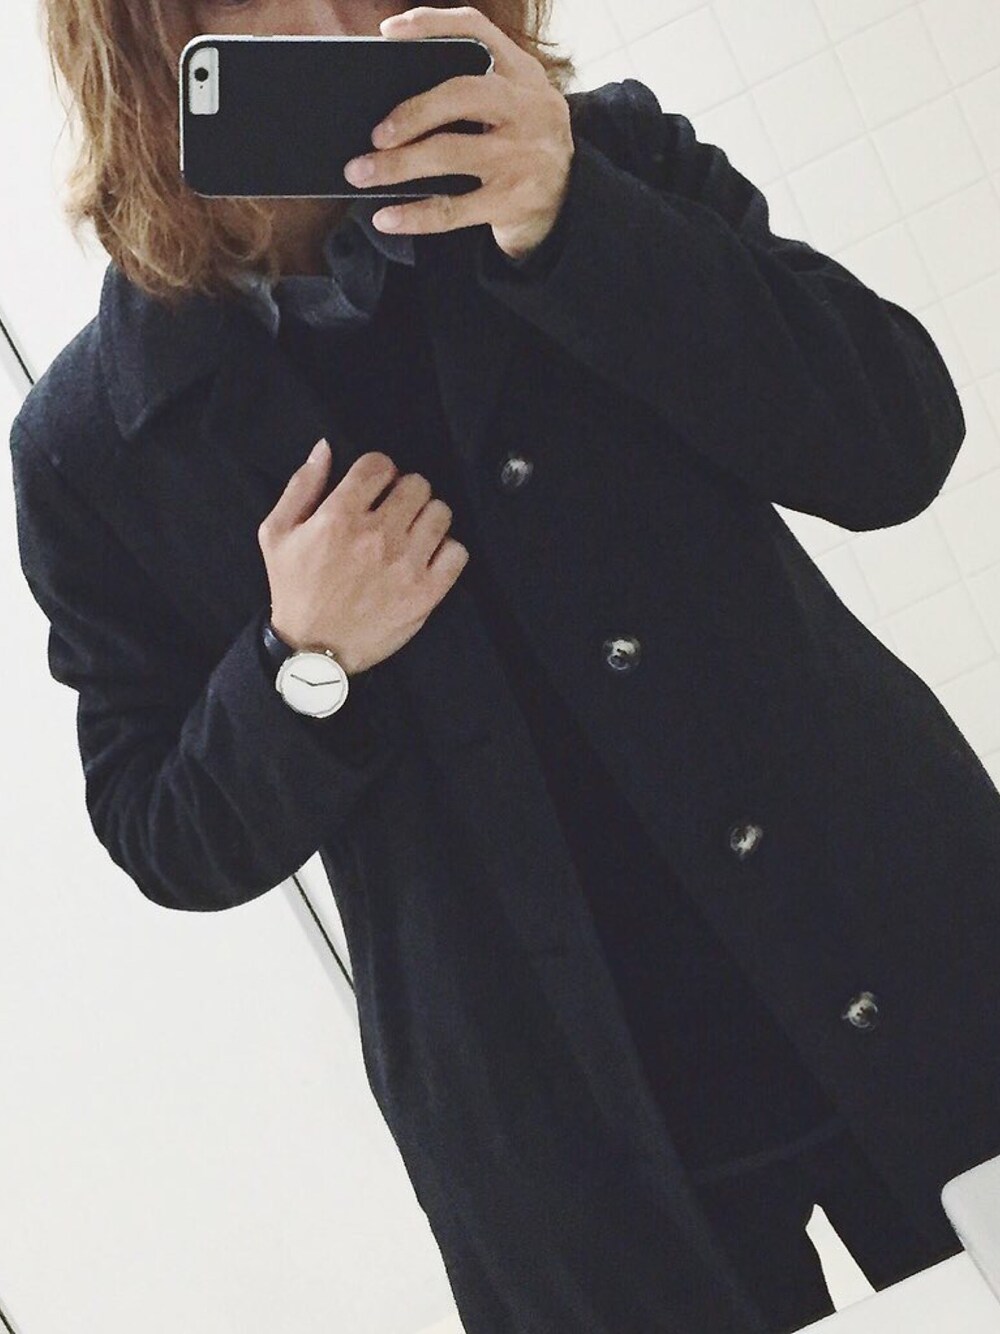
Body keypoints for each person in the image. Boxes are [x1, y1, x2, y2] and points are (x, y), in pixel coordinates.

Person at [11, 1, 1000, 1331]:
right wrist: (303, 661)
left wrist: (584, 225)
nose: (340, 22)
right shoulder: (91, 442)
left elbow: (897, 438)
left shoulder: (600, 163)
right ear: (146, 46)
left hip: (915, 958)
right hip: (565, 1138)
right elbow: (161, 832)